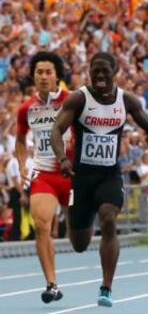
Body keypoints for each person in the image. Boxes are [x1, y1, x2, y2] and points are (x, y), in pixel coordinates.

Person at [50, 52, 148, 308]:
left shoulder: (126, 100)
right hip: (80, 176)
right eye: (95, 71)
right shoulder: (79, 98)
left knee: (109, 218)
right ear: (89, 72)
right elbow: (57, 130)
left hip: (110, 174)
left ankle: (106, 286)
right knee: (79, 245)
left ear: (115, 72)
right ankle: (73, 213)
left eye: (105, 71)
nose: (100, 76)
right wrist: (62, 159)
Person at [14, 52, 70, 303]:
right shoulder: (27, 108)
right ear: (33, 77)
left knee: (80, 237)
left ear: (57, 75)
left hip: (71, 174)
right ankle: (52, 283)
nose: (44, 77)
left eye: (48, 72)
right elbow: (19, 140)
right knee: (41, 226)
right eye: (39, 72)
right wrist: (23, 163)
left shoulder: (72, 101)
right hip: (44, 174)